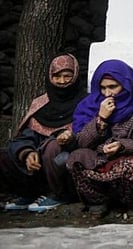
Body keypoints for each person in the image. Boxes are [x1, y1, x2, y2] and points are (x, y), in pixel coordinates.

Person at [67, 59, 133, 219]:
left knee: (128, 165)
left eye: (113, 87)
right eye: (102, 88)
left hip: (128, 157)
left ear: (126, 85)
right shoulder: (91, 105)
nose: (107, 93)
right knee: (77, 157)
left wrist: (122, 146)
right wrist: (101, 119)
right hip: (100, 156)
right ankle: (97, 202)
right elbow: (81, 142)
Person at [0, 54, 84, 212]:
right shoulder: (40, 103)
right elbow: (26, 136)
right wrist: (27, 153)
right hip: (38, 166)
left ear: (76, 76)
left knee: (53, 148)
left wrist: (67, 138)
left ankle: (58, 195)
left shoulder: (85, 103)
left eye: (67, 76)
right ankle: (28, 193)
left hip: (63, 166)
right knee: (6, 155)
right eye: (57, 76)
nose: (62, 81)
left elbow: (86, 135)